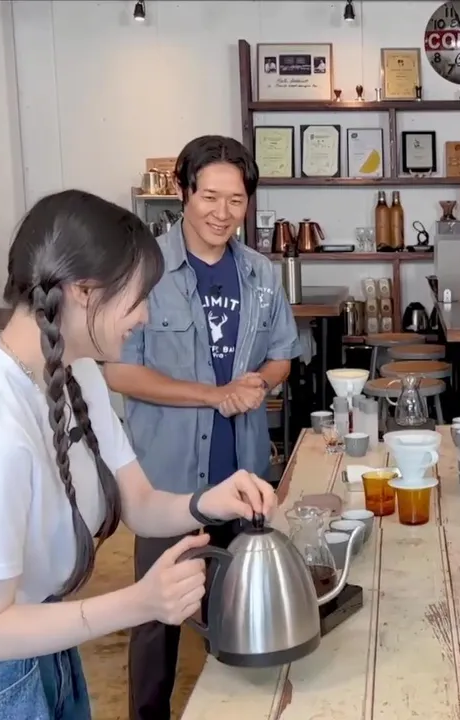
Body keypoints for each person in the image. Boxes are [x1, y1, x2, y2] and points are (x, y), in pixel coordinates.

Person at [0, 189, 278, 720]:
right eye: (137, 299)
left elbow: (139, 503)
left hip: (43, 639)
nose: (145, 316)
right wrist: (140, 601)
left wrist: (209, 501)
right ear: (84, 292)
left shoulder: (78, 371)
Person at [102, 135, 299, 720]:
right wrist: (214, 394)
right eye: (209, 196)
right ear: (183, 193)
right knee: (156, 618)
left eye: (235, 200)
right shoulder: (142, 270)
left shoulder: (261, 273)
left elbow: (282, 356)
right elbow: (121, 372)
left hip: (243, 476)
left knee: (239, 612)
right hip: (167, 482)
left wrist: (257, 384)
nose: (222, 212)